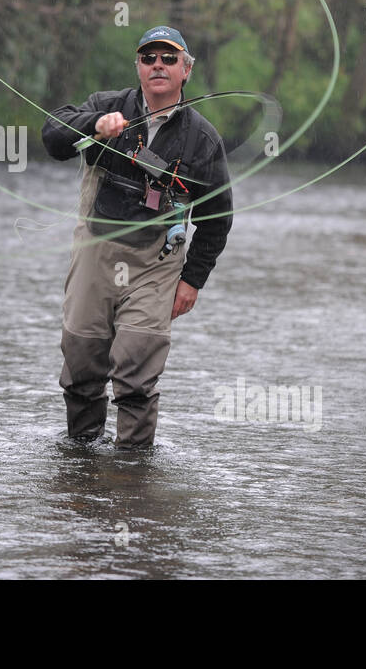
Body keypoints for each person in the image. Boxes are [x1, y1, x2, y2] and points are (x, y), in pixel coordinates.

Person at [41, 25, 233, 448]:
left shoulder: (202, 140)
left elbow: (218, 219)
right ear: (139, 67)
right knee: (82, 362)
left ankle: (132, 473)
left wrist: (192, 280)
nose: (158, 65)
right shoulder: (107, 106)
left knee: (136, 369)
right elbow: (52, 136)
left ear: (186, 70)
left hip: (156, 264)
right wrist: (94, 125)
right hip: (95, 250)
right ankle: (82, 459)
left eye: (169, 58)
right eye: (149, 58)